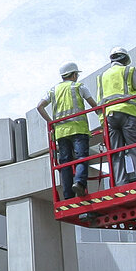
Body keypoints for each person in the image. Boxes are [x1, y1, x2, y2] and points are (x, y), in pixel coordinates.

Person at [36, 62, 98, 199]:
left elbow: (39, 106)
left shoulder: (53, 90)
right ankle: (79, 183)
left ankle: (68, 195)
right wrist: (103, 116)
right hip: (78, 129)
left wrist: (50, 122)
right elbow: (94, 106)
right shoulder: (79, 86)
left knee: (65, 163)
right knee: (81, 157)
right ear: (74, 75)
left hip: (61, 132)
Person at [97, 47, 136, 184]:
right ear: (125, 58)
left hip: (110, 117)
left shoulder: (102, 77)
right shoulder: (128, 71)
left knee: (115, 153)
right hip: (128, 114)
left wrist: (103, 124)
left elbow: (100, 102)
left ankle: (120, 184)